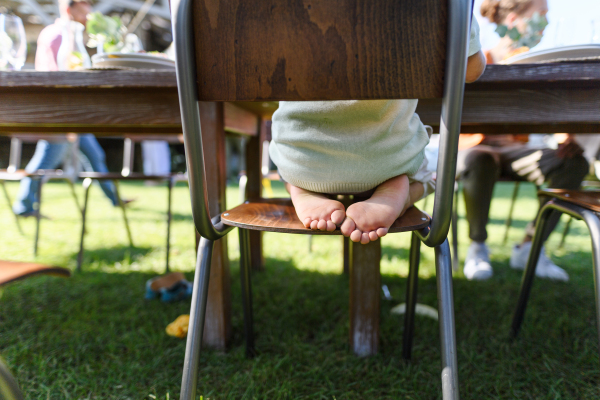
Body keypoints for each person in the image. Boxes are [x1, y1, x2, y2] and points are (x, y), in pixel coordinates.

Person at [268, 18, 485, 245]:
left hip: (302, 160)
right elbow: (470, 69)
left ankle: (300, 189)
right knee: (432, 175)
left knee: (285, 163)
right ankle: (400, 192)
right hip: (390, 159)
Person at [458, 0, 589, 281]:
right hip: (474, 151)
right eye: (541, 15)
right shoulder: (473, 62)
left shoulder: (538, 67)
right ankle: (477, 245)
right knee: (481, 159)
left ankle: (531, 246)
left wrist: (568, 136)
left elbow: (556, 108)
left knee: (573, 163)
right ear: (515, 19)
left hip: (519, 152)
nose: (546, 23)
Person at [13, 0, 124, 217]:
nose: (90, 11)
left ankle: (114, 199)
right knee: (47, 160)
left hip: (71, 110)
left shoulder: (69, 34)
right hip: (58, 110)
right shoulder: (56, 34)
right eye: (85, 5)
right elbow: (59, 70)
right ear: (69, 8)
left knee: (95, 155)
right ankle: (24, 206)